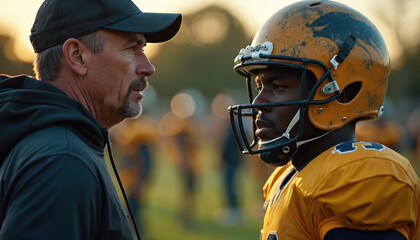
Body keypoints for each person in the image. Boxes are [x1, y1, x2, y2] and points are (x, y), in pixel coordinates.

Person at [228, 1, 420, 240]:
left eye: (277, 87)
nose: (258, 103)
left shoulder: (357, 179)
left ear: (342, 94)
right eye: (260, 86)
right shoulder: (287, 176)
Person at [0, 0, 181, 239]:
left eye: (143, 50)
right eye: (131, 48)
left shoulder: (57, 147)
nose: (148, 67)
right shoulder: (62, 161)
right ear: (78, 57)